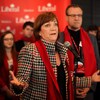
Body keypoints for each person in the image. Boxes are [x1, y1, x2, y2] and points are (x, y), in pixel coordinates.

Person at [9, 12, 100, 100]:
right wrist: (18, 86)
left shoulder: (63, 50)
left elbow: (67, 80)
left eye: (55, 24)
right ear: (39, 32)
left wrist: (91, 79)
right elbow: (22, 80)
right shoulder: (29, 51)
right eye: (47, 25)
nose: (53, 28)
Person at [58, 4, 99, 100]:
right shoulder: (59, 38)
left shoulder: (91, 38)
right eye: (73, 15)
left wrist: (89, 86)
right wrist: (71, 88)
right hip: (66, 90)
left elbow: (97, 64)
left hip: (88, 90)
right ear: (66, 17)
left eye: (79, 15)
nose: (77, 18)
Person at [0, 31, 18, 100]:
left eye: (11, 39)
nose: (9, 41)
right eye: (6, 39)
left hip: (16, 90)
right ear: (2, 41)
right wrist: (6, 89)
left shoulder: (18, 55)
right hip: (2, 91)